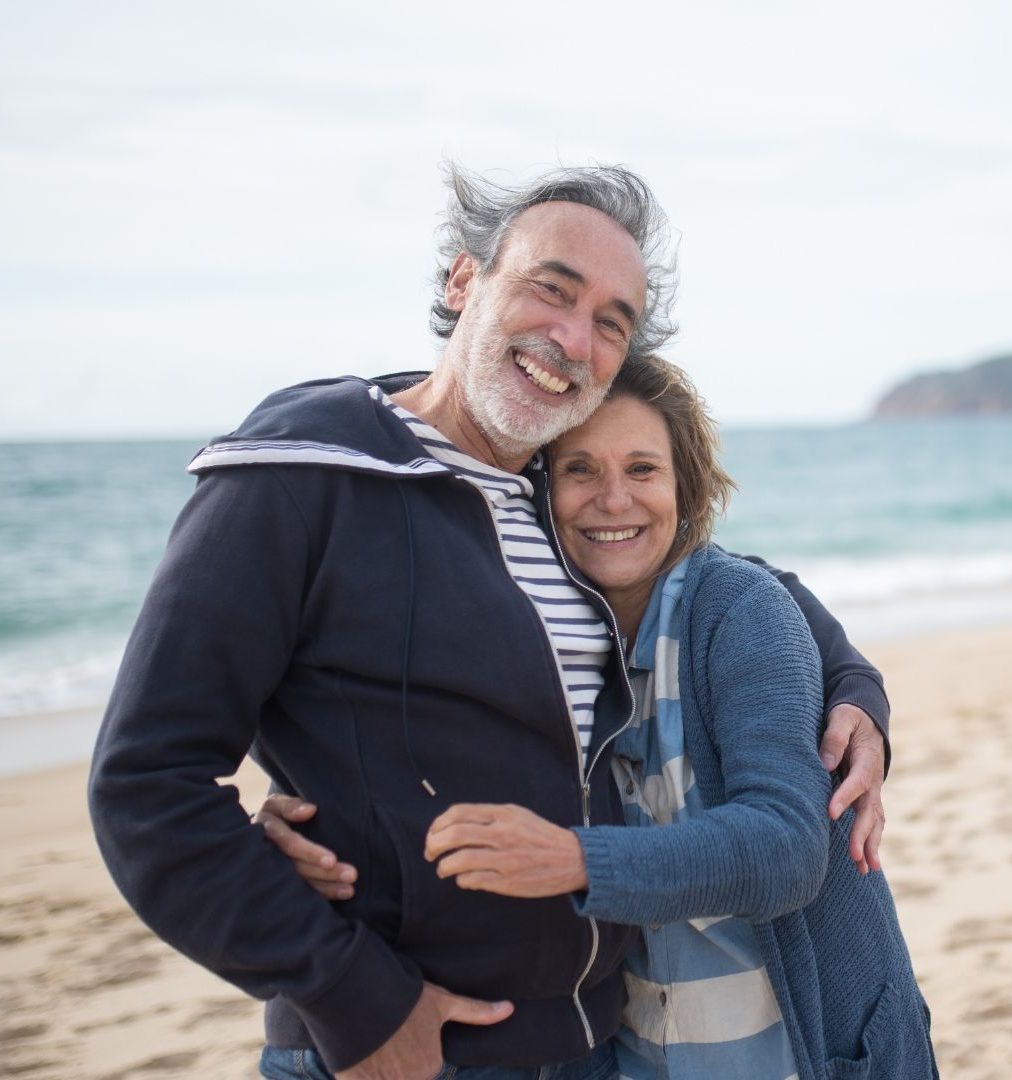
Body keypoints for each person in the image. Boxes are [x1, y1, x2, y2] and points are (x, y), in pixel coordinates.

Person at [88, 164, 893, 1080]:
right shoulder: (301, 475)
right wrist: (352, 996)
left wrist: (854, 688)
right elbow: (145, 786)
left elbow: (725, 581)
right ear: (464, 281)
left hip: (599, 1044)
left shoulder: (549, 492)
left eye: (608, 323)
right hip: (412, 1051)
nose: (572, 338)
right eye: (551, 290)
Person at [271, 355, 936, 1080]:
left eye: (643, 469)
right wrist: (310, 816)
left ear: (685, 484)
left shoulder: (738, 611)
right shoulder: (529, 639)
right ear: (535, 491)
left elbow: (787, 850)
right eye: (580, 470)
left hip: (803, 1053)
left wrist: (575, 860)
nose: (613, 499)